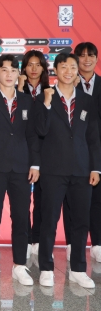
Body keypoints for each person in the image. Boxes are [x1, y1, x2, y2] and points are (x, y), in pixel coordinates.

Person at [34, 53, 101, 289]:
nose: (70, 71)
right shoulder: (45, 97)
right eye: (64, 67)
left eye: (73, 67)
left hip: (82, 170)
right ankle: (46, 267)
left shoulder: (87, 101)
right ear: (56, 70)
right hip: (53, 169)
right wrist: (46, 103)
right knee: (49, 221)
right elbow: (39, 131)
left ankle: (78, 269)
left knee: (81, 221)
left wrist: (96, 167)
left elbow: (93, 137)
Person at [0, 55, 39, 286]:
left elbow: (32, 135)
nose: (8, 74)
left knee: (22, 216)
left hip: (21, 167)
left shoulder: (26, 101)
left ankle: (20, 265)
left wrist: (35, 164)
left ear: (18, 74)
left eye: (13, 70)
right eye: (4, 70)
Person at [17, 50, 51, 257]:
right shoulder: (15, 90)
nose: (34, 68)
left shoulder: (50, 91)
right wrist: (19, 89)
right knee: (22, 201)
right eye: (30, 64)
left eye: (38, 64)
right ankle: (26, 239)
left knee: (43, 197)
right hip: (21, 149)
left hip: (46, 152)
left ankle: (38, 239)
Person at [73, 42, 101, 263]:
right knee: (73, 201)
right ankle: (75, 243)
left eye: (90, 55)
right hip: (75, 152)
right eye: (81, 56)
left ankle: (98, 243)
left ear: (96, 58)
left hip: (98, 149)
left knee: (98, 198)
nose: (86, 59)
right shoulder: (68, 85)